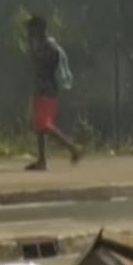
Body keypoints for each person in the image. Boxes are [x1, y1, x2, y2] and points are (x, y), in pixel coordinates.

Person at [25, 15, 82, 169]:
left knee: (44, 125)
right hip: (39, 88)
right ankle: (42, 160)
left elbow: (46, 67)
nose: (28, 32)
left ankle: (73, 148)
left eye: (31, 29)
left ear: (39, 29)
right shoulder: (38, 44)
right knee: (39, 127)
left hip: (48, 90)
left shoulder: (49, 47)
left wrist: (34, 49)